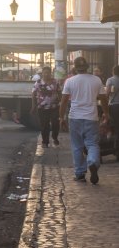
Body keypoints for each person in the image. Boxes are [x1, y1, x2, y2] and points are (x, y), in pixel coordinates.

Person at [60, 56, 109, 184]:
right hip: (91, 117)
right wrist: (106, 113)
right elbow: (103, 99)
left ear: (75, 68)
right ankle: (92, 161)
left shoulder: (70, 81)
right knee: (92, 144)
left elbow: (64, 100)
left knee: (77, 146)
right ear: (87, 67)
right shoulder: (96, 80)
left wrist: (61, 117)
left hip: (75, 117)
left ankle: (80, 174)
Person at [32, 66, 60, 147]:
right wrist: (33, 106)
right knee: (44, 125)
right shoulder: (38, 83)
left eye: (48, 73)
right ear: (42, 74)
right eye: (45, 73)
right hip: (42, 108)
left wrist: (61, 104)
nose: (46, 74)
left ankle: (55, 137)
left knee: (55, 123)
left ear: (51, 73)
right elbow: (33, 94)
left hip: (54, 107)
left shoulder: (55, 82)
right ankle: (45, 142)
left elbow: (59, 92)